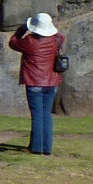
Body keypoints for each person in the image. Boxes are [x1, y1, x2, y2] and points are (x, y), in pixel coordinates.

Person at [9, 13, 65, 155]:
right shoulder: (56, 40)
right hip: (51, 82)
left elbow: (13, 42)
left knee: (37, 116)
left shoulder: (29, 42)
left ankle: (36, 148)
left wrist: (22, 29)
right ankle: (47, 148)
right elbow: (61, 36)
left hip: (34, 83)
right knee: (46, 114)